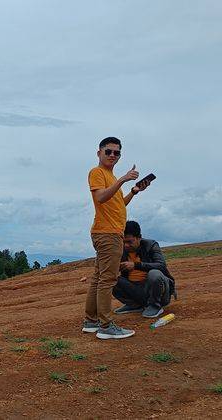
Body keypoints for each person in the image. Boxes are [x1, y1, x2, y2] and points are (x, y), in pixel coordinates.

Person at [82, 137, 151, 340]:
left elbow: (118, 205)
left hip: (108, 232)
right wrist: (123, 179)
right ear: (99, 153)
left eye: (117, 152)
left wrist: (133, 191)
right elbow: (101, 197)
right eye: (108, 151)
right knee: (107, 280)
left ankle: (91, 321)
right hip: (107, 234)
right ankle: (105, 326)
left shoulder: (110, 177)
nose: (113, 155)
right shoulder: (97, 172)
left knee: (98, 278)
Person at [113, 221, 176, 318]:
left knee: (154, 274)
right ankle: (135, 305)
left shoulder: (150, 245)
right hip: (136, 290)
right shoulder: (121, 250)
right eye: (123, 242)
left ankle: (155, 306)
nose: (126, 245)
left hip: (156, 290)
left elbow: (161, 265)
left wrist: (135, 265)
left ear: (139, 238)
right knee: (109, 278)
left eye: (130, 242)